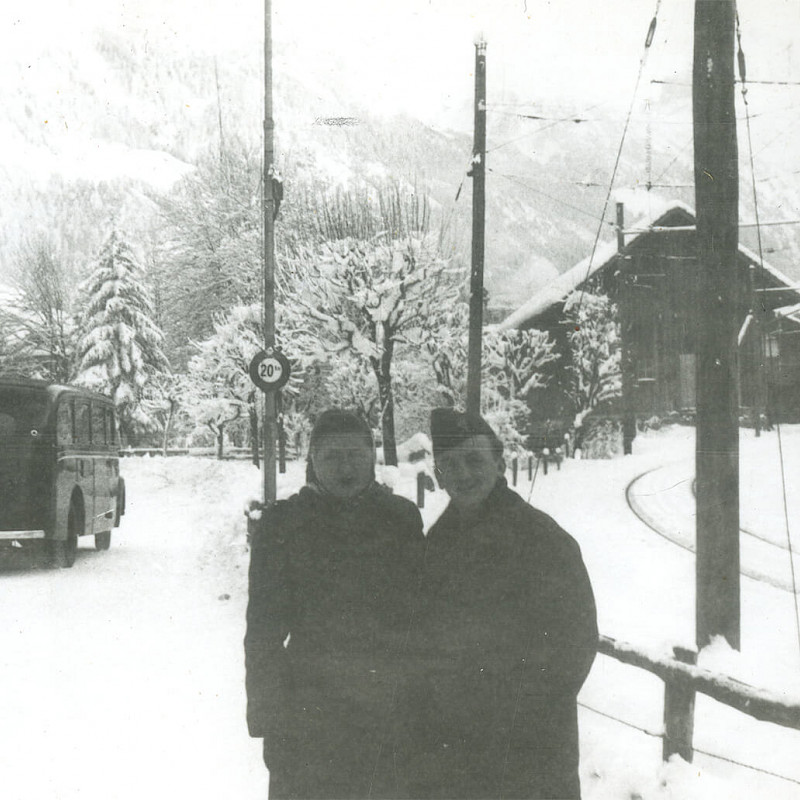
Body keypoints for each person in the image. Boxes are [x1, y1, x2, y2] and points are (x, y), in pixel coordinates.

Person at [401, 408, 598, 799]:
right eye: (450, 465)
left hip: (528, 755)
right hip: (452, 757)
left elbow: (573, 647)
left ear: (499, 462)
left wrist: (505, 716)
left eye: (474, 460)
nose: (463, 474)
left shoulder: (543, 540)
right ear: (439, 476)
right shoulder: (435, 544)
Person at [244, 409, 425, 800]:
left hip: (386, 716)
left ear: (371, 457)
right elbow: (263, 634)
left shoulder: (401, 520)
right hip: (308, 718)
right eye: (332, 456)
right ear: (313, 459)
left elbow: (421, 622)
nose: (346, 468)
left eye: (355, 455)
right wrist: (271, 721)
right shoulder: (283, 525)